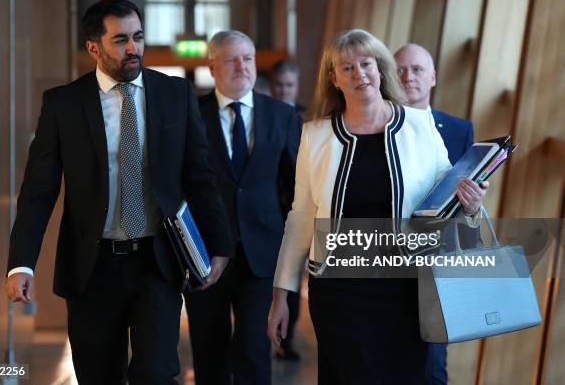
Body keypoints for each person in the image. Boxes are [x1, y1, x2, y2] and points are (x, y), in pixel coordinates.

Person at [5, 0, 233, 385]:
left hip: (157, 261)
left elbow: (200, 175)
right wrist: (21, 263)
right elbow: (38, 190)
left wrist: (219, 244)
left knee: (157, 372)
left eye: (139, 37)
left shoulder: (174, 94)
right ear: (94, 47)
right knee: (99, 375)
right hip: (92, 269)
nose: (134, 48)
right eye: (121, 40)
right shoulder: (63, 104)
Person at [267, 29, 488, 384]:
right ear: (334, 79)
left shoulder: (419, 125)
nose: (359, 74)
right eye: (347, 67)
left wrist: (472, 205)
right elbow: (301, 218)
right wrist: (282, 295)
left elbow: (448, 198)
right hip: (339, 294)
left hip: (406, 290)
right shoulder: (316, 135)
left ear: (381, 68)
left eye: (366, 64)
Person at [184, 30, 301, 385]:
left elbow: (297, 184)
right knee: (209, 349)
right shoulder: (191, 114)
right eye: (231, 59)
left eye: (247, 59)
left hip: (263, 254)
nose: (241, 66)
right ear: (212, 66)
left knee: (253, 345)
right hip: (204, 255)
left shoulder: (281, 114)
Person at [395, 43, 475, 385]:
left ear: (433, 78)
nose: (408, 77)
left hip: (439, 263)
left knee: (433, 367)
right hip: (383, 260)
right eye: (399, 70)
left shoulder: (459, 131)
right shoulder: (373, 129)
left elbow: (465, 203)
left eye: (416, 69)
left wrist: (473, 205)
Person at [268, 59, 305, 361]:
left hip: (295, 212)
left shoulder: (308, 120)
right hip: (267, 212)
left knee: (291, 279)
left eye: (288, 86)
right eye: (278, 85)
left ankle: (286, 339)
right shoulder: (261, 115)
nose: (283, 90)